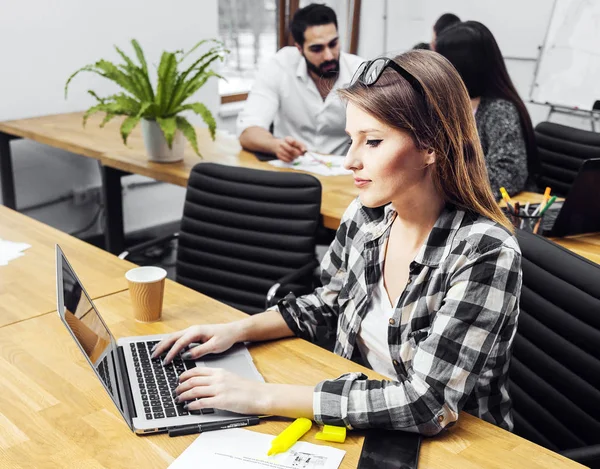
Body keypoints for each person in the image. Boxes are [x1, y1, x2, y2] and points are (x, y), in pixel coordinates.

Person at [152, 50, 522, 435]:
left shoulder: (484, 251)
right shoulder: (368, 214)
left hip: (464, 447)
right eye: (351, 140)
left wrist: (261, 397)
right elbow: (330, 303)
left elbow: (424, 403)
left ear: (431, 146)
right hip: (360, 414)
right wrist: (236, 330)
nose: (349, 161)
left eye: (373, 142)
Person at [236, 3, 363, 162]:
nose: (329, 56)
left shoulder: (360, 72)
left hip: (342, 172)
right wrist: (276, 145)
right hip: (292, 171)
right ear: (299, 48)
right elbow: (247, 130)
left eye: (333, 44)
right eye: (317, 49)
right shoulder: (280, 65)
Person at [435, 21, 537, 196]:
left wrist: (445, 183)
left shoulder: (499, 110)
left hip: (497, 210)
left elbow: (508, 175)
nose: (436, 70)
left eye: (441, 62)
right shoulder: (450, 104)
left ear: (462, 66)